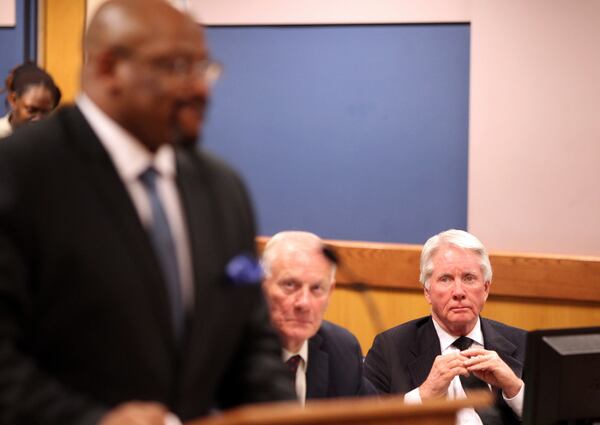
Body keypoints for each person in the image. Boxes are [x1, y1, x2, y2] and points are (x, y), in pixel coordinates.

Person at [0, 1, 294, 424]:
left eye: (204, 68)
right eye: (177, 67)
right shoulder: (19, 174)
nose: (201, 89)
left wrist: (281, 416)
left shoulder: (224, 191)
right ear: (107, 69)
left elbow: (250, 343)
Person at [364, 229, 526, 425]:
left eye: (469, 278)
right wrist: (424, 394)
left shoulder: (523, 345)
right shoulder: (389, 348)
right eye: (446, 279)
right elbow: (368, 420)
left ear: (485, 289)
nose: (458, 292)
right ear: (427, 292)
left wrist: (515, 389)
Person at [261, 231, 376, 405]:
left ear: (330, 292)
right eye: (290, 285)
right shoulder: (227, 349)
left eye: (316, 288)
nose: (304, 303)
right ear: (262, 286)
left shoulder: (342, 350)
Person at [0, 61, 61, 138]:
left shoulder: (54, 139)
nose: (38, 118)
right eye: (31, 110)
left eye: (46, 112)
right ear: (13, 100)